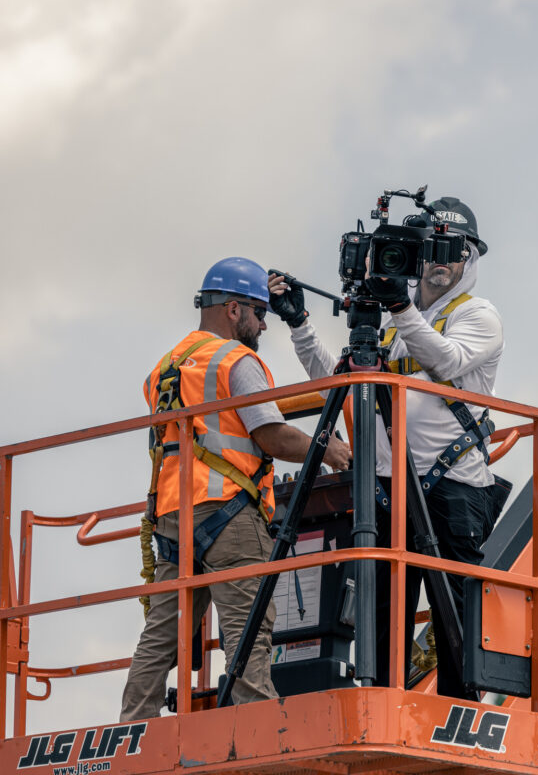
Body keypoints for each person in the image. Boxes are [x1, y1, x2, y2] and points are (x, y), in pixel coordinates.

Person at [268, 197, 503, 698]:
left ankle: (460, 712)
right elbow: (341, 384)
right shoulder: (399, 323)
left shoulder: (477, 315)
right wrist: (300, 326)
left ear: (469, 259)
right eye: (432, 248)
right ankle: (384, 705)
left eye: (454, 250)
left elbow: (446, 361)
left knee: (455, 614)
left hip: (452, 486)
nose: (441, 261)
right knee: (382, 614)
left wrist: (399, 305)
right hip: (389, 488)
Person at [121, 256, 351, 720]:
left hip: (173, 518)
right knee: (249, 628)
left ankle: (134, 725)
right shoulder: (236, 360)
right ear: (233, 309)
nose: (263, 324)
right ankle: (257, 726)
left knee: (162, 633)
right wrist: (330, 450)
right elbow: (270, 436)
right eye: (259, 312)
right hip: (228, 512)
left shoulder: (165, 367)